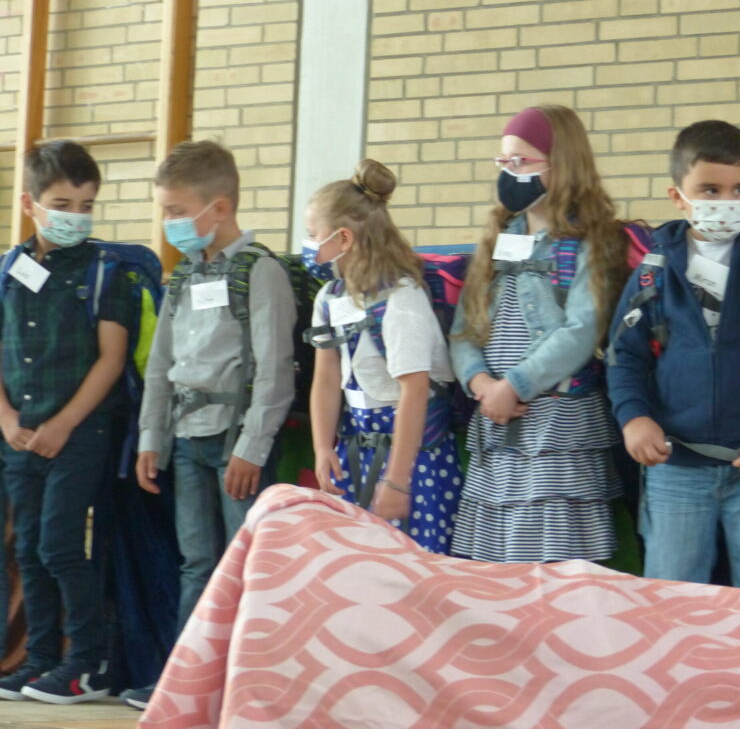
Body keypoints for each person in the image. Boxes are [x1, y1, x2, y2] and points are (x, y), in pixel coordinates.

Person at [606, 120, 740, 590]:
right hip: (676, 469)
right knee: (672, 604)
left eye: (739, 189)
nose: (726, 202)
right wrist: (633, 418)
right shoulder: (653, 272)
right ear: (677, 196)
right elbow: (625, 355)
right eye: (710, 190)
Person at [127, 140, 295, 709]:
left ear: (218, 208)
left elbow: (274, 370)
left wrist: (252, 446)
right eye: (166, 211)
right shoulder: (182, 277)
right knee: (195, 564)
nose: (169, 223)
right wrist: (151, 438)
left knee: (242, 566)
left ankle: (244, 686)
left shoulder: (260, 272)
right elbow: (160, 368)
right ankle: (185, 684)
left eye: (177, 211)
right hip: (185, 439)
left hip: (234, 443)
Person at [449, 105, 629, 563]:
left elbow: (582, 329)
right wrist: (481, 383)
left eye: (522, 162)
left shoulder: (588, 242)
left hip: (557, 432)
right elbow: (464, 329)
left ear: (562, 164)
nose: (510, 173)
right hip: (496, 426)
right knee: (495, 568)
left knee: (549, 566)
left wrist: (515, 385)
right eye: (503, 161)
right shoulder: (497, 240)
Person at [0, 141, 133, 703]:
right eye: (62, 204)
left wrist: (64, 423)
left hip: (80, 434)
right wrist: (7, 418)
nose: (75, 216)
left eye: (86, 205)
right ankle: (42, 659)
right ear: (29, 203)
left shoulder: (107, 272)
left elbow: (111, 359)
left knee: (59, 545)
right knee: (28, 550)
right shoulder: (9, 270)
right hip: (20, 435)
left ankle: (87, 661)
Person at [303, 160, 462, 552]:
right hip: (356, 449)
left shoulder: (402, 299)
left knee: (415, 566)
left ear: (343, 239)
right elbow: (326, 379)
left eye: (313, 236)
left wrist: (397, 480)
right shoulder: (329, 298)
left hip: (412, 460)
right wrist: (323, 447)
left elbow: (415, 390)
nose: (308, 246)